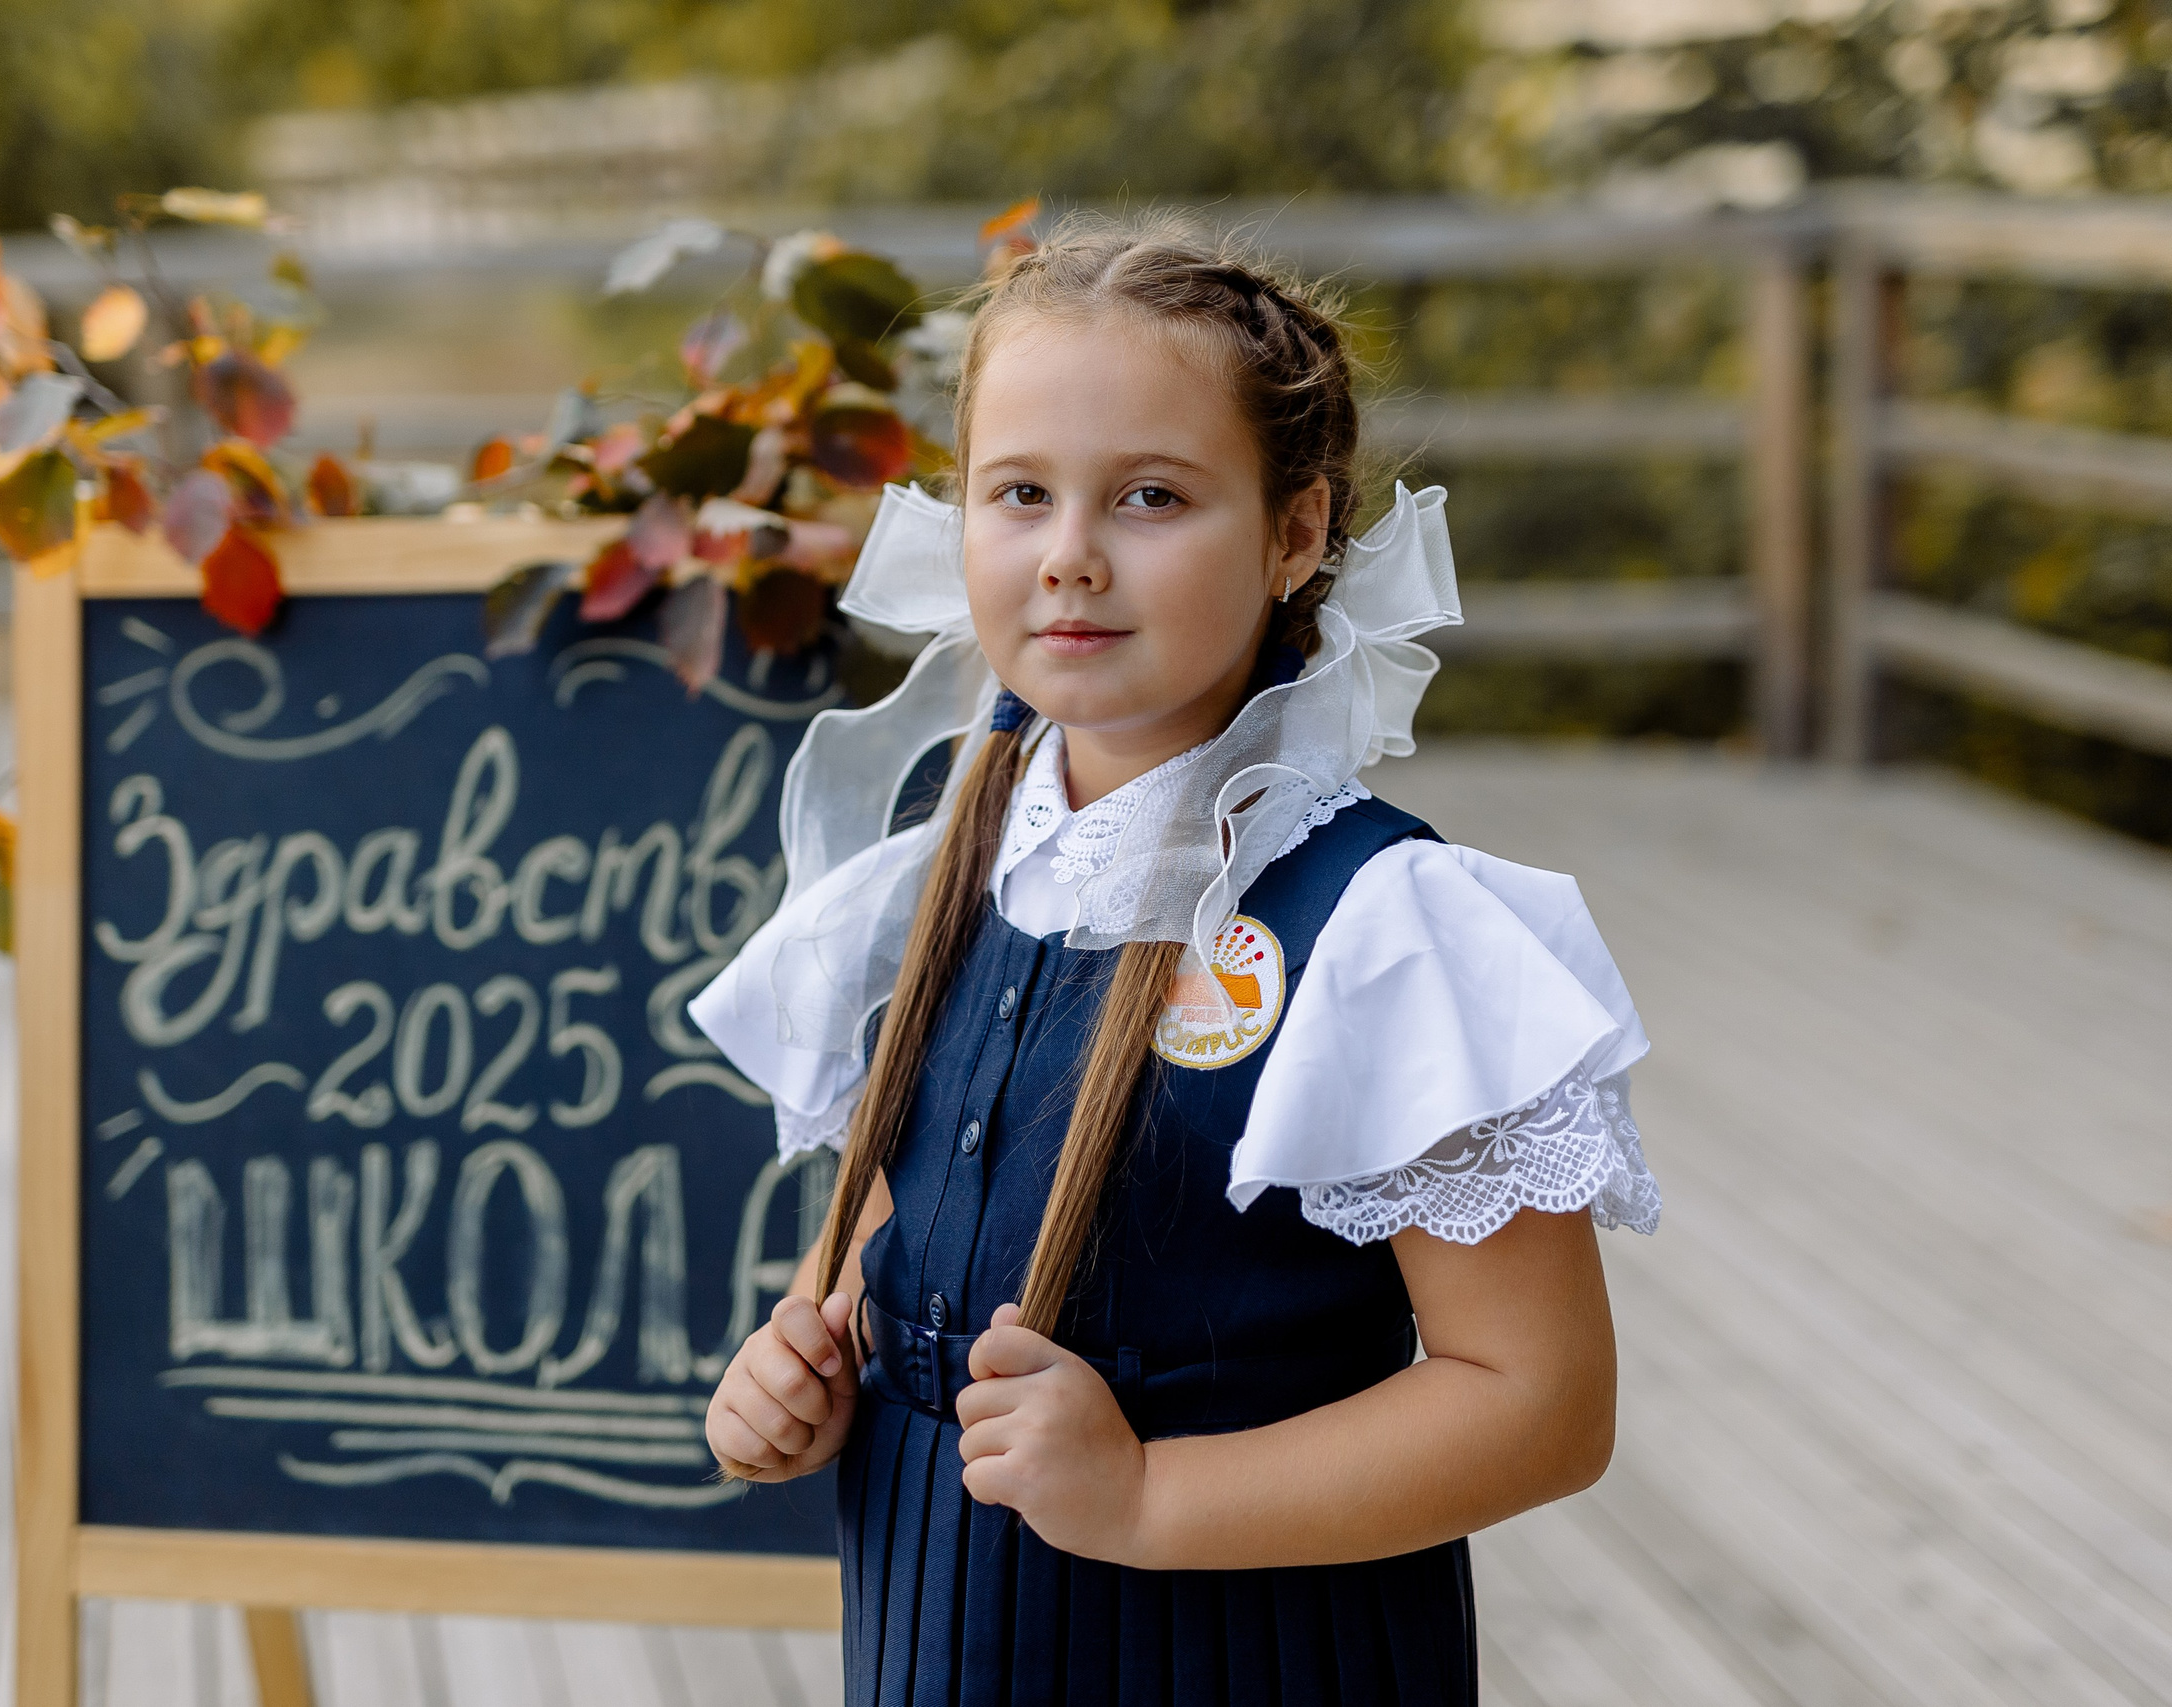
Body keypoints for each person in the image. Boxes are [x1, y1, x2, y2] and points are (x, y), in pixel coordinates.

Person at [689, 215, 1661, 1706]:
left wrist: (1146, 1501)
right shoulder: (950, 861)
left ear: (1293, 532)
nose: (1070, 557)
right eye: (1020, 493)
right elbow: (913, 1210)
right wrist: (804, 1359)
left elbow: (1537, 1404)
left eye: (1150, 496)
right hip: (941, 1639)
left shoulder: (1381, 923)